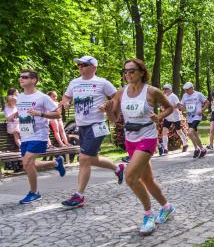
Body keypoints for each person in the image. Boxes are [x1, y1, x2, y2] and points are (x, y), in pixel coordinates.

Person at [104, 58, 175, 236]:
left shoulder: (152, 92)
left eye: (132, 71)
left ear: (142, 72)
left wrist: (159, 117)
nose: (127, 74)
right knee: (147, 180)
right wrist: (107, 110)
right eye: (125, 71)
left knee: (129, 177)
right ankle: (167, 207)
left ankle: (148, 215)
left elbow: (169, 108)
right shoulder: (121, 93)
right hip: (131, 139)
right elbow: (115, 120)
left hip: (147, 137)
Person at [59, 56, 125, 208]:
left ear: (93, 67)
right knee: (91, 159)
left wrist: (108, 106)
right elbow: (66, 96)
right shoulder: (74, 82)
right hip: (81, 126)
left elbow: (116, 97)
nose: (80, 67)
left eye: (84, 65)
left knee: (83, 158)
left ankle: (79, 196)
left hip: (97, 125)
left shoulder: (102, 83)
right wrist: (66, 102)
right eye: (79, 65)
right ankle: (118, 168)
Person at [16, 70, 66, 204]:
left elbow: (57, 115)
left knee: (26, 162)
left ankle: (34, 192)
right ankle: (56, 163)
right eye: (20, 77)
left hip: (39, 135)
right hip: (25, 135)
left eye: (25, 77)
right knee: (29, 164)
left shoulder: (42, 97)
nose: (21, 79)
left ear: (34, 80)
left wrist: (40, 114)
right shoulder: (20, 97)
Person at [179, 82, 209, 158]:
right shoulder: (184, 95)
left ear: (192, 88)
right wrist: (182, 108)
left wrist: (202, 110)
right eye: (185, 90)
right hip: (189, 117)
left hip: (197, 117)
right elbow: (182, 105)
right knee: (195, 134)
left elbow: (207, 103)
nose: (186, 91)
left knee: (189, 132)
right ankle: (203, 149)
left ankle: (196, 149)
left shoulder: (198, 94)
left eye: (187, 90)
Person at [160, 84, 189, 154]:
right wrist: (162, 108)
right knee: (164, 131)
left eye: (166, 89)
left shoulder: (173, 96)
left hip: (175, 117)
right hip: (167, 117)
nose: (165, 90)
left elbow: (178, 105)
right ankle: (165, 148)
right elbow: (161, 106)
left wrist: (170, 108)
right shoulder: (164, 97)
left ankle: (185, 144)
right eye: (164, 89)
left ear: (170, 89)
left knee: (179, 131)